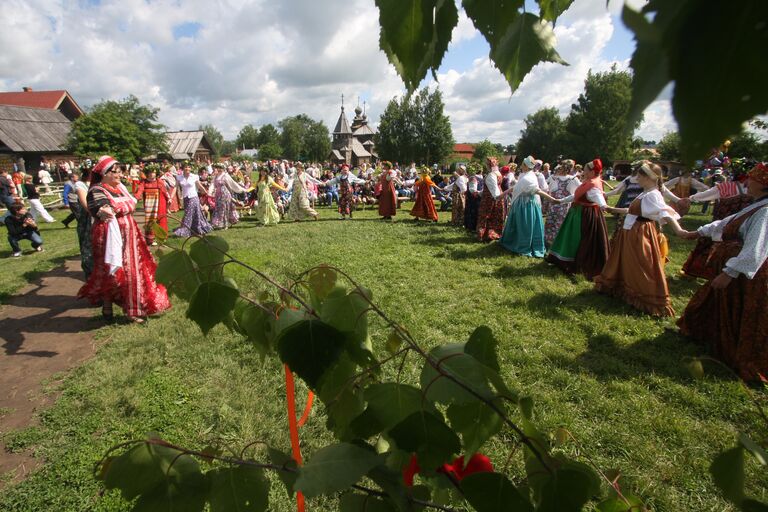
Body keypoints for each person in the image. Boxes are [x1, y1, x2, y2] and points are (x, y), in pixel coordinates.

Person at [676, 163, 768, 381]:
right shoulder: (757, 205)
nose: (747, 182)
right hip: (732, 268)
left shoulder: (765, 212)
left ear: (763, 184)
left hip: (745, 276)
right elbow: (727, 223)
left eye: (752, 179)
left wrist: (730, 272)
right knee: (717, 303)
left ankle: (735, 353)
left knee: (739, 311)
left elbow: (755, 249)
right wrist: (698, 232)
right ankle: (706, 336)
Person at [77, 156, 170, 324]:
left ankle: (132, 309)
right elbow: (105, 210)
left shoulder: (120, 188)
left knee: (132, 270)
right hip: (109, 237)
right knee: (110, 269)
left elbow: (130, 205)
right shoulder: (96, 190)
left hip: (129, 234)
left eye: (120, 170)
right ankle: (108, 306)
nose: (120, 174)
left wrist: (119, 207)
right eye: (116, 171)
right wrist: (117, 208)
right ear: (105, 173)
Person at [594, 161, 686, 316]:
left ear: (649, 177)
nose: (637, 178)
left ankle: (648, 297)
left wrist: (679, 230)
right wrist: (611, 209)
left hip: (640, 233)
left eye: (640, 175)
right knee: (630, 263)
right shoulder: (646, 192)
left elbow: (664, 212)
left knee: (642, 265)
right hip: (632, 230)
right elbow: (633, 210)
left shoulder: (652, 195)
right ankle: (627, 289)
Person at [545, 159, 609, 280]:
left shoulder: (592, 185)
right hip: (577, 212)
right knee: (569, 236)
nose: (583, 171)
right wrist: (561, 201)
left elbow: (598, 197)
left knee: (579, 238)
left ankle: (576, 262)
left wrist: (604, 206)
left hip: (585, 215)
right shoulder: (588, 182)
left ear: (591, 172)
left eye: (585, 169)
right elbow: (576, 194)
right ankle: (561, 258)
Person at [500, 156, 559, 257]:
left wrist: (552, 200)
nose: (520, 165)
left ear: (527, 166)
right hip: (521, 204)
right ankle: (515, 241)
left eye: (522, 164)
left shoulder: (529, 178)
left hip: (527, 206)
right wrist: (502, 194)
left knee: (525, 225)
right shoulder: (524, 175)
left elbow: (537, 190)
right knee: (519, 224)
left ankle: (525, 245)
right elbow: (516, 187)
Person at [545, 160, 580, 245]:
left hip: (553, 205)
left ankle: (547, 241)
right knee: (561, 224)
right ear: (571, 168)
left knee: (550, 223)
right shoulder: (573, 179)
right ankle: (558, 243)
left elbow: (547, 190)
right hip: (564, 207)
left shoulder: (553, 178)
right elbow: (580, 191)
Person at [134, 165, 170, 245]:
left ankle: (161, 237)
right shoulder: (144, 182)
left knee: (161, 219)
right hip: (149, 203)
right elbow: (140, 190)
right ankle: (151, 239)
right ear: (147, 173)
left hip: (160, 202)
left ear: (156, 173)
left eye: (153, 172)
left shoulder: (159, 181)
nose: (151, 174)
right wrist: (136, 198)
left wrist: (168, 198)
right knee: (151, 220)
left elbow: (164, 191)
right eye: (150, 172)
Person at [174, 162, 213, 237]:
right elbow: (175, 188)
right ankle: (197, 228)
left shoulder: (194, 176)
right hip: (186, 199)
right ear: (183, 168)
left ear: (190, 168)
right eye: (185, 167)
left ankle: (185, 230)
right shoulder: (179, 177)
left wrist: (206, 193)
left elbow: (199, 186)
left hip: (194, 198)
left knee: (188, 214)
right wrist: (170, 197)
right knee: (195, 214)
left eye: (188, 167)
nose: (187, 168)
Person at [477, 158, 511, 241]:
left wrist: (497, 197)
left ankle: (486, 235)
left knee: (486, 216)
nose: (485, 165)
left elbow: (493, 188)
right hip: (496, 196)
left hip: (491, 198)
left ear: (489, 165)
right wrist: (480, 193)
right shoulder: (498, 173)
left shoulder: (492, 175)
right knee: (494, 216)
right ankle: (492, 234)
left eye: (486, 164)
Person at [68, 168, 93, 277]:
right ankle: (90, 273)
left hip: (101, 216)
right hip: (88, 219)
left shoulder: (101, 183)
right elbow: (85, 204)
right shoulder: (80, 184)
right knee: (87, 244)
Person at [210, 164, 247, 229]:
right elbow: (212, 185)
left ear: (223, 168)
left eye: (220, 168)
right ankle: (219, 224)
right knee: (218, 209)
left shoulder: (225, 175)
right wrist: (210, 192)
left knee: (225, 209)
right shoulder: (216, 176)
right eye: (218, 168)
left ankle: (226, 224)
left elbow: (232, 184)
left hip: (225, 194)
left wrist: (241, 190)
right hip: (218, 195)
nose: (219, 169)